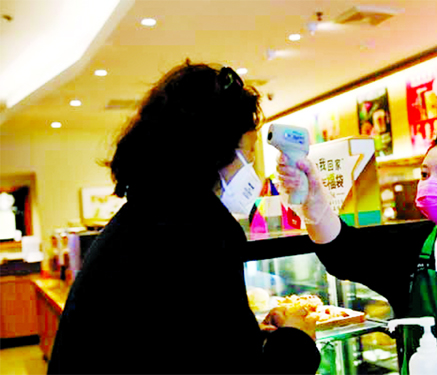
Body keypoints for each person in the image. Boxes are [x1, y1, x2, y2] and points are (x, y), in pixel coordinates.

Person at [48, 61, 320, 375]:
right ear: (214, 151)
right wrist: (297, 341)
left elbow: (182, 343)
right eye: (249, 154)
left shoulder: (142, 217)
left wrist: (252, 333)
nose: (252, 170)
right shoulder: (203, 231)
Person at [276, 113, 437, 375]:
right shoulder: (407, 246)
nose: (429, 183)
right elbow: (341, 251)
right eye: (424, 174)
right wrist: (313, 200)